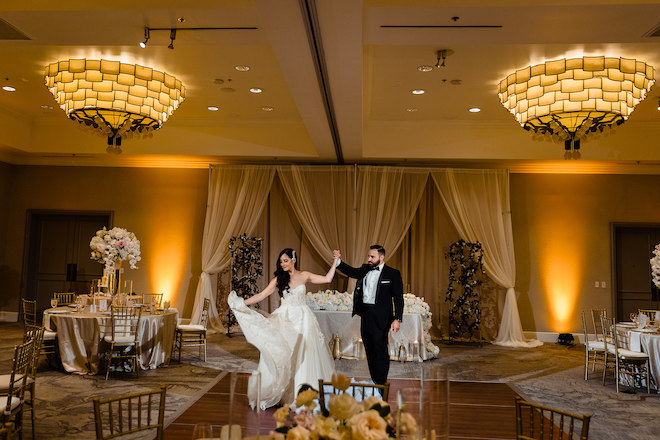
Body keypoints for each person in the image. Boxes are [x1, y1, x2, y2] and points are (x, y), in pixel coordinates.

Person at [227, 248, 337, 409]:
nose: (283, 264)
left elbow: (327, 278)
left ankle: (302, 394)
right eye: (281, 262)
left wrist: (335, 262)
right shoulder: (279, 278)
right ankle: (281, 391)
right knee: (284, 355)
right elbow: (261, 295)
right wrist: (240, 303)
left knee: (304, 356)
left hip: (303, 320)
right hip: (285, 320)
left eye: (285, 261)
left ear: (294, 259)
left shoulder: (304, 275)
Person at [333, 245, 403, 388]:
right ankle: (375, 379)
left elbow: (398, 298)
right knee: (369, 348)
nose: (369, 259)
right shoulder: (365, 268)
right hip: (366, 314)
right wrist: (338, 261)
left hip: (382, 317)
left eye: (372, 257)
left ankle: (381, 382)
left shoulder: (392, 273)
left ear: (381, 257)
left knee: (380, 349)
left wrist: (397, 318)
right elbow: (351, 271)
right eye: (369, 256)